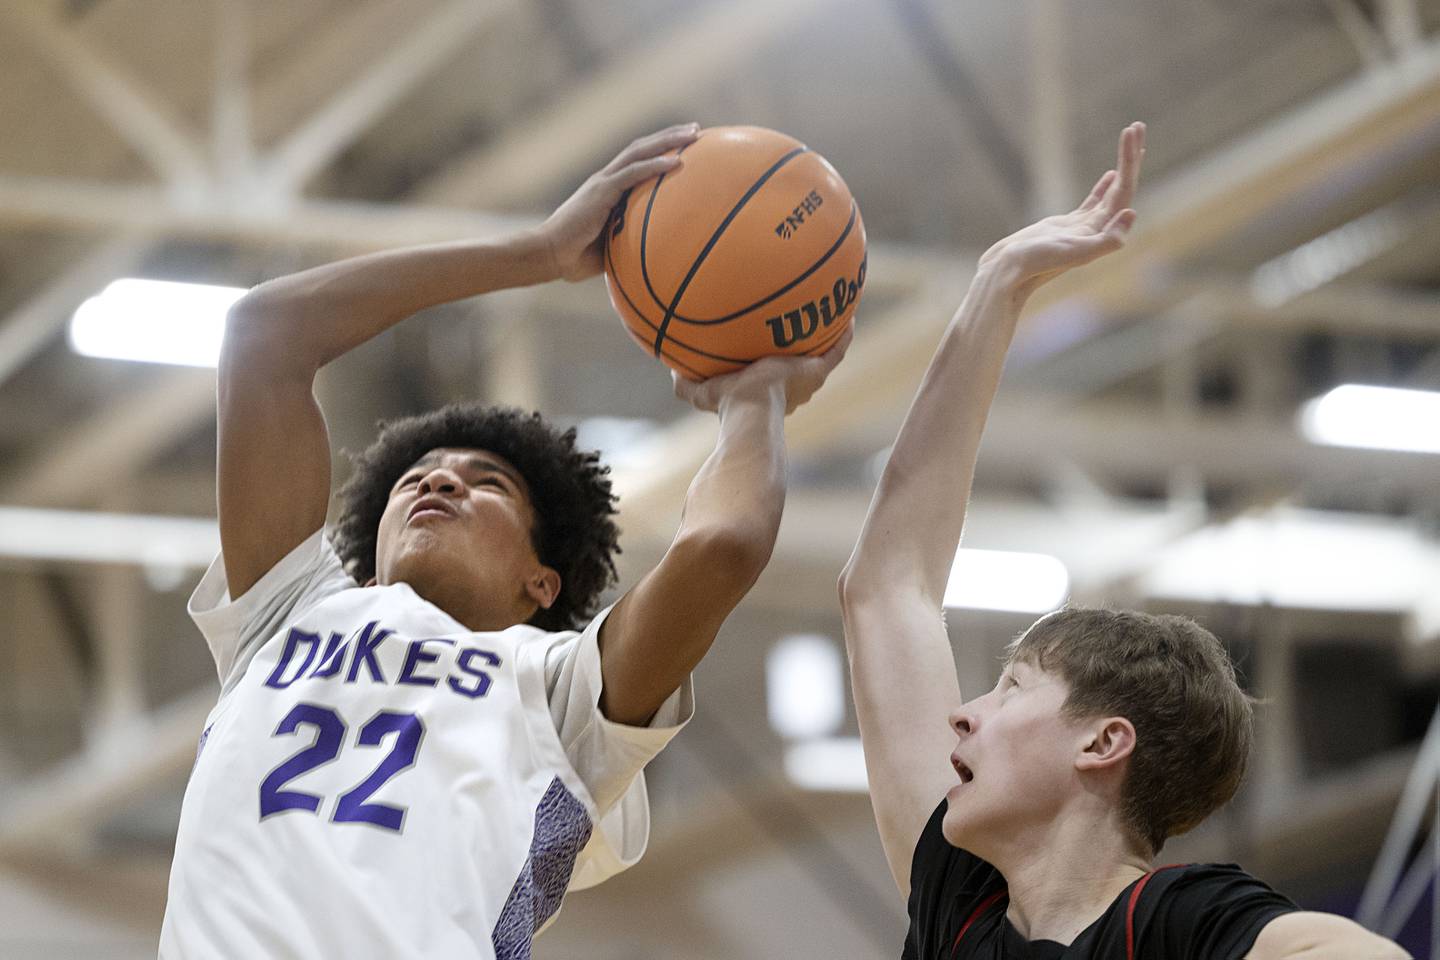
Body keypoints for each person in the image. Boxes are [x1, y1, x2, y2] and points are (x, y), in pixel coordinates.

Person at [159, 122, 848, 959]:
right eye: (419, 475)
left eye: (487, 484)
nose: (438, 481)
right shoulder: (288, 613)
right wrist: (537, 252)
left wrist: (754, 400)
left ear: (543, 581)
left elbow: (724, 548)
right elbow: (263, 336)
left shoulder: (556, 693)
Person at [837, 122, 1406, 959]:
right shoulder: (959, 908)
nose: (963, 713)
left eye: (1010, 687)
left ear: (1102, 743)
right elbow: (887, 590)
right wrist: (996, 288)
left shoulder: (1175, 922)